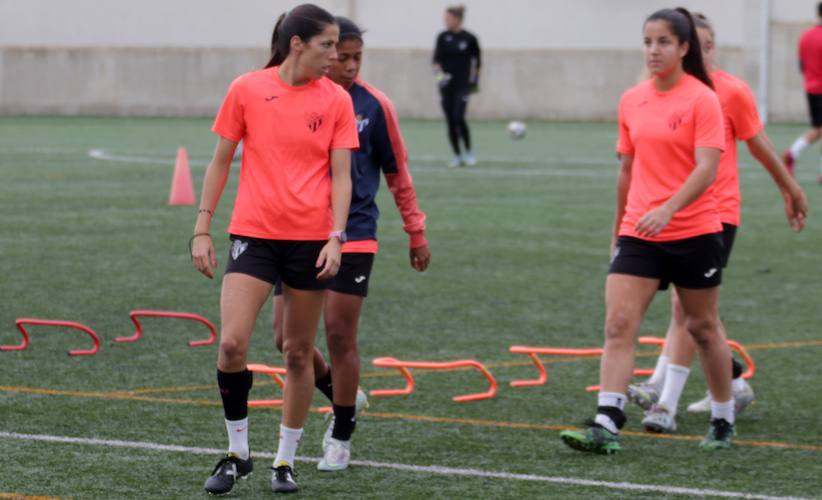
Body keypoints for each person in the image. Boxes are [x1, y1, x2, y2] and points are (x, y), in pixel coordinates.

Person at [190, 4, 358, 494]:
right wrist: (202, 228)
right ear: (297, 44)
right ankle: (237, 453)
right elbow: (221, 161)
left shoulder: (336, 100)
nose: (336, 54)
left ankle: (284, 462)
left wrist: (336, 235)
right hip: (254, 235)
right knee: (231, 345)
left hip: (310, 240)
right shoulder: (247, 88)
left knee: (299, 353)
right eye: (327, 44)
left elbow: (342, 175)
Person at [559, 7, 735, 454]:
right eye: (647, 41)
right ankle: (607, 421)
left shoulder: (703, 98)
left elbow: (708, 168)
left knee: (701, 327)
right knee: (618, 323)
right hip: (641, 231)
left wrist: (670, 208)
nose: (653, 50)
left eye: (662, 42)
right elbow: (626, 170)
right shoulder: (632, 100)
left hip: (694, 231)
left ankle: (722, 416)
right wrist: (619, 230)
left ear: (683, 48)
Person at [628, 13, 808, 433]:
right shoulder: (663, 92)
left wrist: (789, 189)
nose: (702, 52)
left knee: (685, 310)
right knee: (695, 316)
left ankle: (664, 402)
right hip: (668, 212)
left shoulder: (727, 91)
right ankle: (729, 382)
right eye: (698, 44)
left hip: (716, 212)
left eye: (709, 45)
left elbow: (759, 146)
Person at [271, 16, 431, 472]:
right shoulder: (300, 97)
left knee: (340, 334)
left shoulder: (374, 106)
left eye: (358, 57)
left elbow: (398, 172)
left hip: (355, 232)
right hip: (300, 232)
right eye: (343, 56)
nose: (351, 65)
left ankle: (341, 434)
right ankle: (343, 395)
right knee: (286, 339)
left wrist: (415, 232)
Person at [432, 5, 481, 168]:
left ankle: (469, 153)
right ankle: (457, 155)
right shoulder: (442, 37)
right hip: (447, 87)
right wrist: (440, 78)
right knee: (450, 121)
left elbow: (477, 62)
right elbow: (435, 61)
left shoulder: (469, 38)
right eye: (445, 18)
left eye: (449, 18)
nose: (446, 21)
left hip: (463, 85)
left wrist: (474, 81)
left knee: (459, 118)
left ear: (457, 19)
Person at [783, 1, 822, 183]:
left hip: (811, 87)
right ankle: (793, 152)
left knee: (819, 129)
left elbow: (801, 65)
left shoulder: (805, 37)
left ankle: (793, 153)